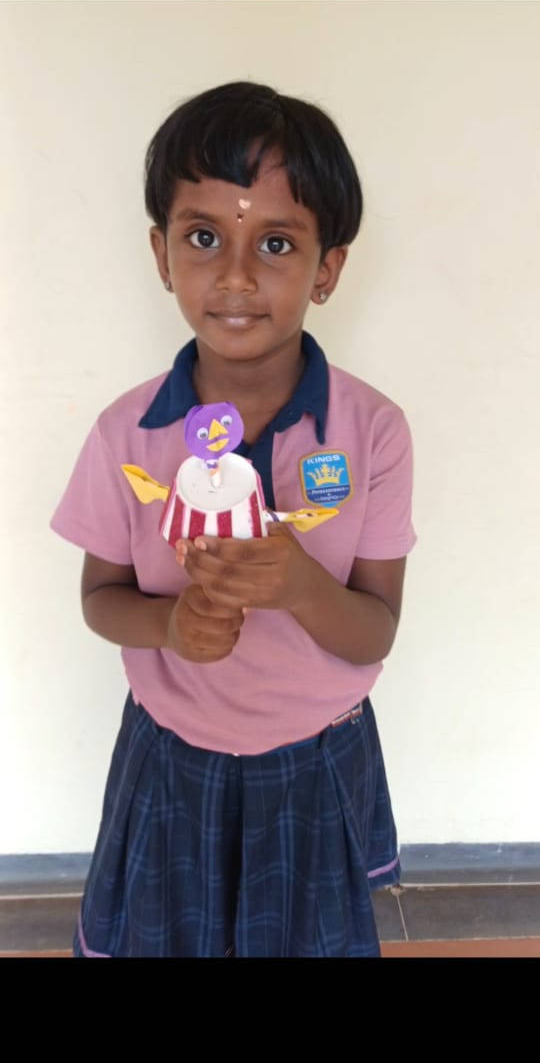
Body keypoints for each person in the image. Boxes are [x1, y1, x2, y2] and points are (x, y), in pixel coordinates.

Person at [51, 81, 417, 957]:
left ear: (327, 269)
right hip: (171, 754)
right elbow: (101, 598)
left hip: (316, 759)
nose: (237, 276)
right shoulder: (127, 434)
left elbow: (374, 632)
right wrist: (171, 626)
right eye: (204, 237)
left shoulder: (373, 432)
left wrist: (298, 583)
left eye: (277, 242)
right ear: (161, 253)